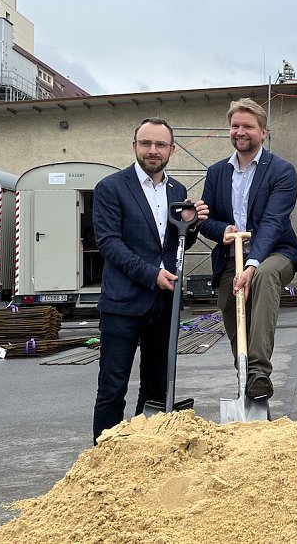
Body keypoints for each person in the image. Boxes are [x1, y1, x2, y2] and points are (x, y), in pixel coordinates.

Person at [92, 118, 208, 443]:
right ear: (134, 147)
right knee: (112, 389)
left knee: (156, 387)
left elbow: (177, 245)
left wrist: (192, 225)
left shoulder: (177, 191)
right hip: (123, 304)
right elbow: (109, 244)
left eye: (160, 145)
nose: (152, 151)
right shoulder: (111, 188)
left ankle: (145, 453)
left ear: (172, 149)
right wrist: (151, 274)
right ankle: (105, 461)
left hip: (164, 304)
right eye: (146, 143)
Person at [199, 98, 297, 402]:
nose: (240, 131)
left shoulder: (281, 171)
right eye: (235, 126)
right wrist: (224, 231)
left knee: (265, 276)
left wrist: (253, 264)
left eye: (248, 126)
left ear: (263, 132)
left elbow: (273, 221)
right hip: (231, 257)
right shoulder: (217, 172)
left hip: (275, 252)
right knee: (232, 314)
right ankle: (249, 380)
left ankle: (259, 371)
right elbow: (207, 222)